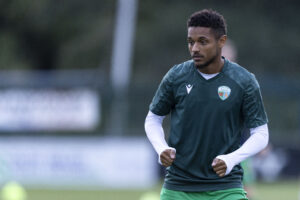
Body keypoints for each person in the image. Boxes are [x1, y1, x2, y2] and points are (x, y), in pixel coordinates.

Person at [144, 9, 269, 200]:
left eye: (203, 42)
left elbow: (261, 133)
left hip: (227, 188)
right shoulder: (176, 76)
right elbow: (153, 118)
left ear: (221, 41)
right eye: (190, 42)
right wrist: (161, 148)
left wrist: (231, 159)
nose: (195, 48)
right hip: (178, 187)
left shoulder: (245, 81)